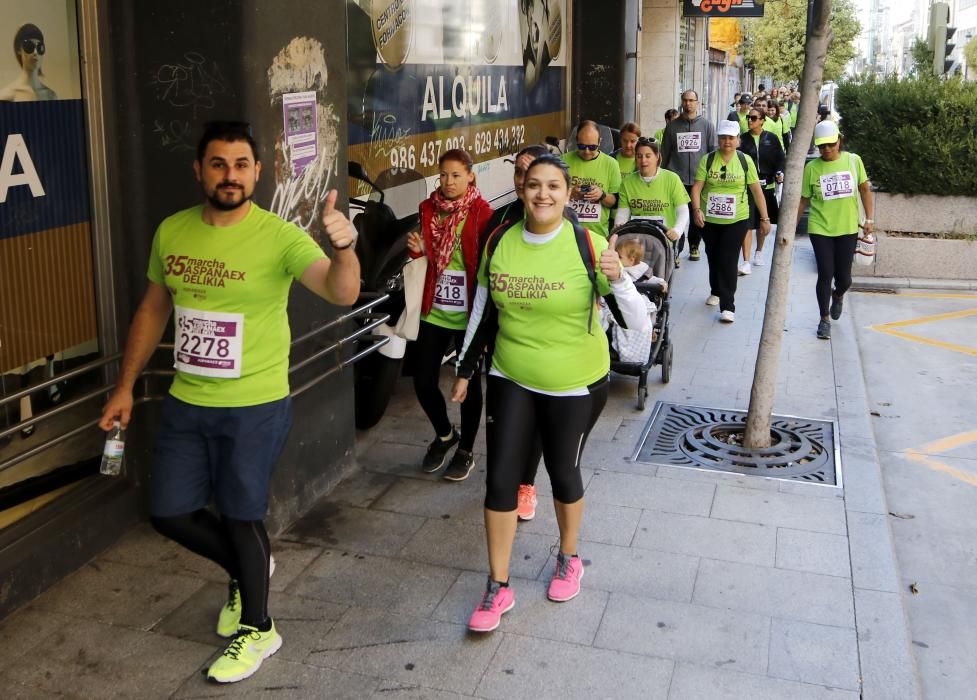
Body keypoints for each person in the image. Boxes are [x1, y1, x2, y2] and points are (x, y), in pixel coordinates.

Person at [98, 121, 360, 684]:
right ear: (199, 171)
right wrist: (124, 386)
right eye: (218, 164)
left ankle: (260, 627)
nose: (230, 176)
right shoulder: (173, 231)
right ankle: (248, 570)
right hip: (187, 400)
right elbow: (153, 309)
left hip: (255, 404)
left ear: (257, 172)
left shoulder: (279, 237)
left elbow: (341, 292)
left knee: (242, 515)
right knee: (170, 512)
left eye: (241, 165)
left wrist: (343, 250)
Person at [451, 155, 649, 633]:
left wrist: (619, 279)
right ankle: (498, 586)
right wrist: (463, 367)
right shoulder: (499, 240)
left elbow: (638, 322)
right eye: (533, 184)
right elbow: (482, 307)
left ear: (567, 193)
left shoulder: (588, 243)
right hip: (509, 374)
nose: (542, 194)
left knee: (562, 470)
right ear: (521, 189)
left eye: (553, 186)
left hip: (574, 381)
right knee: (500, 479)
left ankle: (569, 556)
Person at [406, 149, 493, 481]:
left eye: (456, 175)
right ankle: (445, 435)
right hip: (435, 308)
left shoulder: (483, 214)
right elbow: (426, 254)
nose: (449, 181)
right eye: (443, 175)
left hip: (468, 311)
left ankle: (466, 449)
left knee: (467, 384)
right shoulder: (429, 207)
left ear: (470, 175)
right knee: (422, 379)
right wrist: (418, 248)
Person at [479, 143, 549, 521]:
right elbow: (482, 288)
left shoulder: (566, 225)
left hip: (547, 347)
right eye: (520, 174)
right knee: (504, 415)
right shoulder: (499, 221)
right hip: (503, 344)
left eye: (533, 173)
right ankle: (502, 477)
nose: (526, 182)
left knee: (537, 416)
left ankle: (526, 482)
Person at [798, 121, 874, 340]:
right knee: (825, 273)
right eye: (822, 146)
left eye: (831, 144)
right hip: (820, 227)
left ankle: (838, 295)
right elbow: (803, 200)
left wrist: (869, 218)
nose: (827, 150)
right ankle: (823, 319)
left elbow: (865, 189)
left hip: (847, 228)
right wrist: (790, 227)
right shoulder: (812, 168)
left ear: (839, 140)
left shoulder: (853, 161)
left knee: (845, 278)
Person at [691, 120, 770, 323]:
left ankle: (728, 305)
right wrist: (697, 210)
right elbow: (697, 188)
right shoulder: (708, 160)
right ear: (718, 139)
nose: (727, 141)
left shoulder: (745, 161)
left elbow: (756, 191)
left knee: (728, 258)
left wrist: (765, 218)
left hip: (737, 219)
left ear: (738, 140)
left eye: (731, 137)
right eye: (723, 137)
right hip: (709, 219)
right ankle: (716, 290)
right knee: (713, 255)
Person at [660, 89, 717, 262]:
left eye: (691, 100)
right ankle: (676, 250)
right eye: (685, 100)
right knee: (677, 216)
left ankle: (694, 245)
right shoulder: (672, 127)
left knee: (695, 215)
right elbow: (665, 153)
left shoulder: (707, 126)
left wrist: (709, 176)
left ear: (697, 103)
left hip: (699, 181)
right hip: (677, 179)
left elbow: (712, 152)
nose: (688, 104)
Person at [614, 138, 689, 246]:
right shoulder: (627, 182)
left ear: (657, 156)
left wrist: (677, 230)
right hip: (636, 242)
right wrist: (619, 225)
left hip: (665, 242)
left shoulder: (672, 179)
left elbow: (683, 211)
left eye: (648, 156)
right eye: (639, 156)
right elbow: (623, 213)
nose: (643, 160)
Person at [737, 107, 785, 273]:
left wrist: (780, 173)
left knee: (763, 222)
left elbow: (780, 158)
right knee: (748, 222)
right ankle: (746, 260)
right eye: (749, 118)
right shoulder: (742, 139)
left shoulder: (771, 138)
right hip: (748, 187)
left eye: (754, 118)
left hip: (767, 184)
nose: (750, 120)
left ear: (762, 120)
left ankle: (759, 252)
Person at [562, 120, 620, 239]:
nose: (587, 151)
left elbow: (615, 202)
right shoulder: (563, 161)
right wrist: (571, 193)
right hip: (566, 233)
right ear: (576, 141)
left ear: (600, 142)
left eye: (592, 147)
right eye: (582, 146)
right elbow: (553, 195)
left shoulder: (611, 164)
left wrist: (602, 195)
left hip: (597, 236)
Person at [0, 24, 58, 101]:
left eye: (39, 47)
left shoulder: (51, 96)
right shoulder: (7, 96)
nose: (35, 52)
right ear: (19, 50)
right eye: (29, 46)